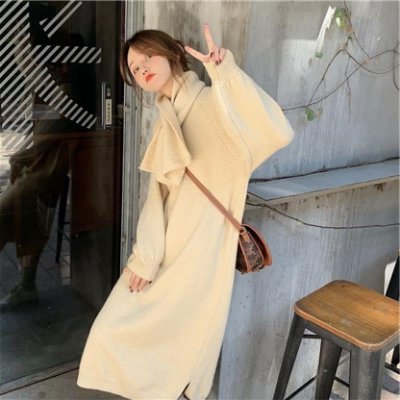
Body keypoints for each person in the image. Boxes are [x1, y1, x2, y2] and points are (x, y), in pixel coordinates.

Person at [77, 24, 294, 400]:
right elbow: (156, 198)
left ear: (173, 52)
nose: (142, 68)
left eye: (148, 56)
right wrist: (145, 257)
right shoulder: (165, 121)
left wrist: (226, 73)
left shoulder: (212, 103)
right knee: (112, 331)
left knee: (189, 348)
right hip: (166, 249)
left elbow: (277, 132)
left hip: (204, 253)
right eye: (134, 67)